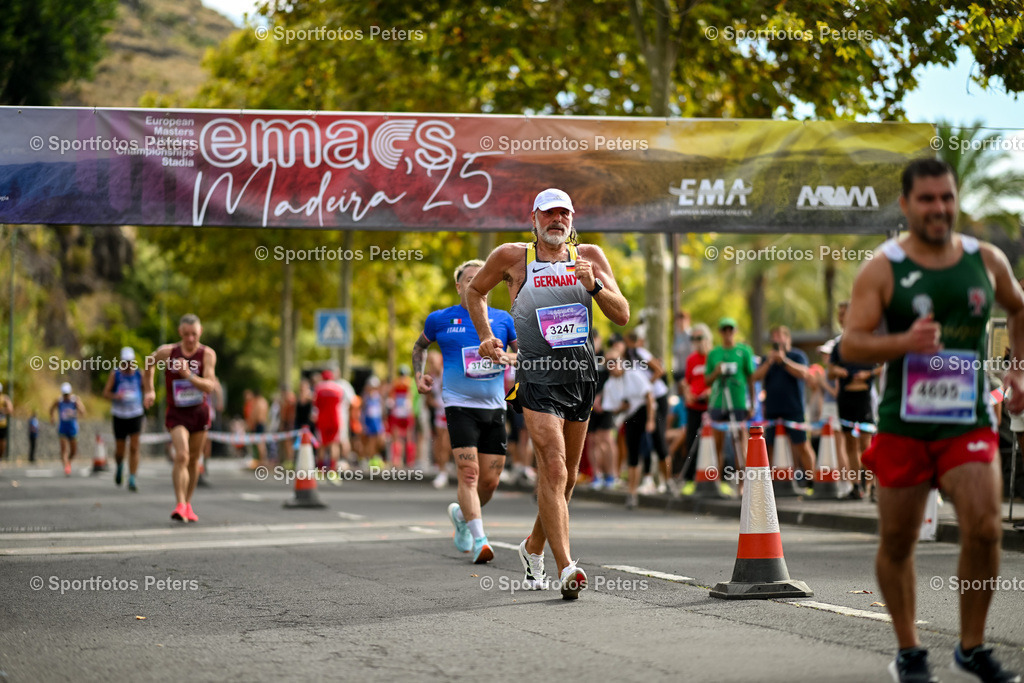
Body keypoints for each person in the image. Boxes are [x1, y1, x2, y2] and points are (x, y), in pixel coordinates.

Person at [841, 158, 1024, 683]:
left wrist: (1017, 373)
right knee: (898, 541)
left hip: (966, 421)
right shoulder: (883, 266)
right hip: (904, 423)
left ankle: (971, 646)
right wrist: (905, 342)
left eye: (946, 197)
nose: (939, 208)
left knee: (986, 530)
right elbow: (852, 343)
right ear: (906, 205)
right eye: (927, 199)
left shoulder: (985, 259)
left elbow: (1018, 306)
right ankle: (910, 651)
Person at [467, 188, 629, 599]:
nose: (557, 220)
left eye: (564, 213)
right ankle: (567, 568)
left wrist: (594, 288)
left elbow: (622, 314)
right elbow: (474, 290)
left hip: (579, 376)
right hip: (537, 377)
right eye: (549, 213)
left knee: (569, 479)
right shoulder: (512, 257)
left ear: (573, 219)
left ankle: (532, 547)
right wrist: (486, 334)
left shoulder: (589, 257)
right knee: (553, 470)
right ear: (534, 218)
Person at [414, 259, 518, 563]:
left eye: (481, 278)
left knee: (490, 482)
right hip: (459, 406)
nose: (476, 283)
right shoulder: (440, 319)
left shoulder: (502, 320)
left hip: (495, 408)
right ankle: (480, 540)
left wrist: (509, 358)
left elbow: (522, 352)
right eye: (470, 279)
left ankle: (461, 515)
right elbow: (420, 347)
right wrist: (418, 376)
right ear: (459, 286)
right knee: (469, 474)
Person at [143, 313, 218, 523]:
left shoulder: (207, 354)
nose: (190, 339)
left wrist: (189, 376)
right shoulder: (169, 352)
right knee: (182, 455)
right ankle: (179, 503)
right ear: (180, 333)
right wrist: (149, 390)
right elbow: (148, 363)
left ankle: (188, 503)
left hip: (199, 413)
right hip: (177, 413)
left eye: (194, 334)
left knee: (194, 460)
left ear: (200, 332)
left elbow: (210, 385)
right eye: (186, 334)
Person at [829, 301, 882, 501]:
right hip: (845, 398)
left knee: (866, 445)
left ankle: (872, 486)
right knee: (849, 445)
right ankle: (855, 486)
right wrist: (838, 371)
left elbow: (882, 365)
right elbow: (830, 370)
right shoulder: (839, 345)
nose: (841, 317)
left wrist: (867, 374)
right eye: (839, 314)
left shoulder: (867, 341)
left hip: (863, 399)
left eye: (845, 313)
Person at [753, 325, 817, 482]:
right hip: (773, 410)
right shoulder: (767, 359)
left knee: (801, 445)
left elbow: (804, 373)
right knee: (770, 446)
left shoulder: (797, 355)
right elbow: (755, 377)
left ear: (787, 338)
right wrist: (769, 362)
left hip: (793, 408)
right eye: (773, 336)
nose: (776, 339)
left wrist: (784, 361)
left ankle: (813, 480)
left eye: (779, 336)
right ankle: (773, 482)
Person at [703, 318, 757, 491]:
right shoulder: (713, 353)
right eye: (724, 330)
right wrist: (717, 372)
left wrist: (752, 403)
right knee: (717, 442)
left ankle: (742, 484)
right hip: (719, 401)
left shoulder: (744, 351)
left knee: (740, 443)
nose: (727, 333)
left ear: (735, 331)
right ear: (720, 332)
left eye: (730, 330)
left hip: (738, 401)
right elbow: (707, 380)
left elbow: (751, 378)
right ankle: (716, 484)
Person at [602, 348, 655, 509]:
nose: (613, 367)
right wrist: (621, 407)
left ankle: (649, 481)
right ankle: (632, 492)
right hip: (629, 416)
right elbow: (611, 407)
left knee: (649, 448)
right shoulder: (610, 384)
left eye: (614, 362)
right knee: (632, 453)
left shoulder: (634, 374)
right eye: (609, 365)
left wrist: (651, 420)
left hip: (644, 411)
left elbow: (649, 396)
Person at [625, 330, 672, 494]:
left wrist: (646, 385)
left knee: (659, 439)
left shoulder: (640, 353)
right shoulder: (628, 359)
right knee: (644, 440)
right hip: (644, 401)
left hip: (657, 397)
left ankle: (668, 482)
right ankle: (648, 479)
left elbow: (659, 370)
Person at [102, 346, 144, 491]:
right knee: (120, 450)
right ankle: (119, 465)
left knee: (134, 447)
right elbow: (106, 393)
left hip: (136, 413)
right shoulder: (115, 374)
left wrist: (149, 397)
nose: (127, 365)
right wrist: (116, 396)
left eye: (130, 362)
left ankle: (132, 477)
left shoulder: (139, 374)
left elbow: (147, 389)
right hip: (119, 415)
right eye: (125, 362)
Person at [677, 322, 712, 492]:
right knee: (691, 441)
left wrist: (708, 392)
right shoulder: (691, 359)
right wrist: (687, 392)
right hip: (694, 406)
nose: (697, 342)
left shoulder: (713, 356)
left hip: (710, 406)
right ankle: (690, 479)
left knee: (713, 442)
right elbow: (686, 381)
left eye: (699, 338)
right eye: (694, 339)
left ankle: (716, 478)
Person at [314, 370, 355, 470]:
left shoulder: (319, 388)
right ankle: (333, 470)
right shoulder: (338, 388)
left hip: (323, 420)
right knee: (334, 444)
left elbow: (316, 404)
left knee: (322, 445)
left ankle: (320, 470)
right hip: (335, 420)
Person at [50, 382, 85, 476]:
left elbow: (82, 412)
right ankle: (66, 466)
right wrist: (52, 417)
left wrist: (77, 408)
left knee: (73, 451)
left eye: (67, 394)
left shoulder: (75, 400)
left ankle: (68, 462)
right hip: (63, 428)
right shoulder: (59, 401)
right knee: (64, 449)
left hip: (73, 428)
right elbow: (51, 409)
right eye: (64, 394)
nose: (66, 396)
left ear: (70, 393)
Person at [672, 310, 693, 383]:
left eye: (683, 320)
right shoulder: (677, 336)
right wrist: (673, 371)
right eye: (678, 320)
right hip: (678, 372)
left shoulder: (691, 335)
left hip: (689, 372)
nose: (680, 322)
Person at [0, 382, 11, 460]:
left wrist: (2, 410)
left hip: (2, 424)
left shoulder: (4, 398)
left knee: (2, 441)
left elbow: (10, 409)